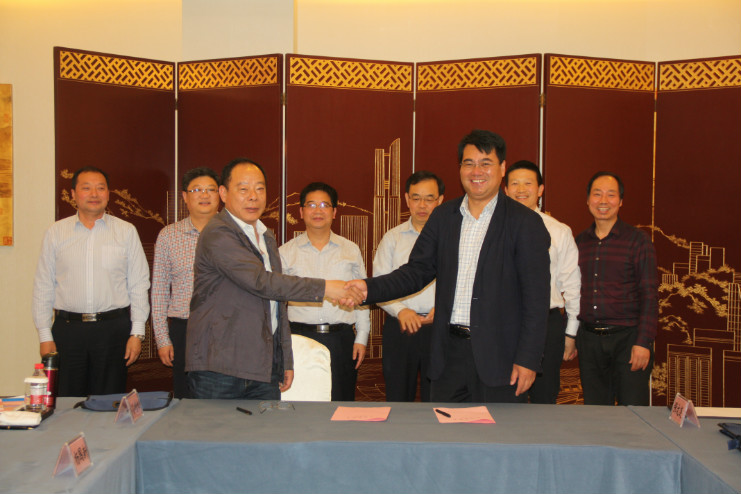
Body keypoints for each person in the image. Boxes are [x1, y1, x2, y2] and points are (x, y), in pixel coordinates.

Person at [344, 130, 551, 403]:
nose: (476, 171)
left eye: (486, 163)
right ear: (460, 168)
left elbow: (536, 300)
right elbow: (416, 272)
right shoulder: (444, 216)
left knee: (498, 431)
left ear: (502, 168)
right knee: (445, 428)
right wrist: (368, 288)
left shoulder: (525, 223)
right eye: (469, 163)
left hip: (500, 359)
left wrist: (528, 359)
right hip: (448, 356)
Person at [185, 159, 359, 400]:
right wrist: (326, 287)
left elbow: (277, 304)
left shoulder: (265, 235)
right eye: (243, 189)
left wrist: (284, 358)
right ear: (223, 193)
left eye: (260, 188)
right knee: (220, 427)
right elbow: (261, 282)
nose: (253, 196)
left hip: (261, 366)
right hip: (220, 366)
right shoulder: (218, 232)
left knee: (267, 425)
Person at [32, 166, 150, 396]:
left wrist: (137, 334)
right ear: (73, 194)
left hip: (113, 330)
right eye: (86, 188)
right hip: (68, 330)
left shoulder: (126, 231)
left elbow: (139, 284)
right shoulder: (56, 232)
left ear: (108, 194)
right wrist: (45, 336)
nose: (94, 194)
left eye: (100, 188)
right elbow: (43, 286)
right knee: (67, 401)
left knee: (109, 400)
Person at [279, 182, 370, 401]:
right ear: (301, 212)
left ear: (334, 212)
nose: (318, 210)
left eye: (324, 205)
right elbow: (277, 304)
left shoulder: (351, 250)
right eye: (311, 205)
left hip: (341, 339)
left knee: (341, 404)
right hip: (300, 338)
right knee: (302, 403)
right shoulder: (286, 252)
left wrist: (362, 337)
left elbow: (362, 298)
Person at [575, 171, 657, 406]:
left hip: (628, 340)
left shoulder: (638, 240)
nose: (603, 201)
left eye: (611, 195)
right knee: (595, 414)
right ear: (587, 200)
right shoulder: (579, 242)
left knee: (633, 413)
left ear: (620, 201)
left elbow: (650, 295)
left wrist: (643, 342)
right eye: (597, 194)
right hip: (589, 341)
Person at [503, 160, 580, 404]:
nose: (521, 189)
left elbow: (572, 286)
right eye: (515, 184)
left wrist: (570, 333)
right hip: (502, 324)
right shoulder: (492, 229)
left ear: (540, 190)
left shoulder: (559, 231)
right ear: (505, 189)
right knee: (503, 397)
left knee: (544, 399)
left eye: (528, 183)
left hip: (546, 324)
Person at [373, 171, 444, 402]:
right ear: (406, 199)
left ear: (440, 200)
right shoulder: (392, 238)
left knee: (438, 398)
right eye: (416, 198)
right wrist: (401, 310)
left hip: (439, 327)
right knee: (398, 397)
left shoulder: (451, 238)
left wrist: (444, 309)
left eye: (429, 198)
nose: (422, 205)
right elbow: (381, 283)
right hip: (401, 327)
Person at [151, 167, 220, 398]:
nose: (204, 195)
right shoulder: (168, 236)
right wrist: (162, 339)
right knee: (186, 397)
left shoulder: (234, 234)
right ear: (184, 196)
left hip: (225, 327)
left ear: (220, 194)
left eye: (210, 190)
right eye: (197, 190)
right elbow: (159, 291)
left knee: (224, 397)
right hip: (185, 329)